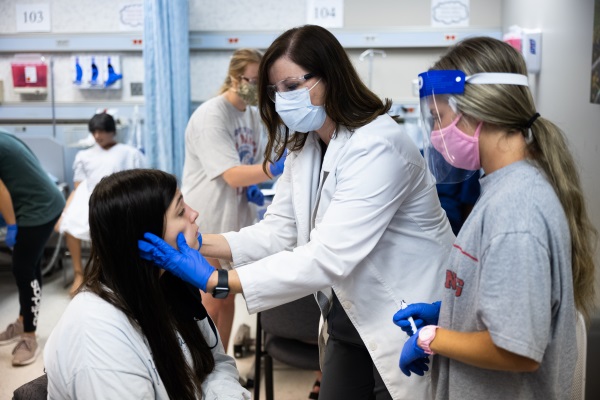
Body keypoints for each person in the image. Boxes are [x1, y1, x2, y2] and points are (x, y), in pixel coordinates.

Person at [140, 25, 455, 399]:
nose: (281, 99)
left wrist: (219, 281)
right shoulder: (305, 146)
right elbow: (279, 231)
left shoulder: (378, 145)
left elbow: (328, 255)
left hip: (405, 315)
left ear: (330, 76)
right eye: (274, 91)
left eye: (291, 87)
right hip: (347, 317)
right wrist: (197, 243)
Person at [393, 37, 597, 399]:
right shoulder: (502, 189)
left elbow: (515, 349)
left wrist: (433, 338)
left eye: (439, 118)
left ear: (474, 110)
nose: (437, 134)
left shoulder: (517, 211)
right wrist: (450, 313)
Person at [44, 169, 250, 400]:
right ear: (146, 236)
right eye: (181, 211)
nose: (194, 214)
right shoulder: (98, 337)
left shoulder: (170, 284)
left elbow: (214, 363)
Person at [181, 48, 286, 352]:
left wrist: (251, 186)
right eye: (250, 80)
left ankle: (221, 367)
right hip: (207, 218)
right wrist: (274, 169)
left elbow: (245, 164)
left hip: (233, 221)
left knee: (227, 299)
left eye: (260, 81)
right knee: (211, 304)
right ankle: (203, 374)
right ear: (233, 76)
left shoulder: (250, 115)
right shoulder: (211, 114)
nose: (255, 88)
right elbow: (231, 174)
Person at [57, 112, 145, 295]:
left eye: (102, 131)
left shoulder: (129, 153)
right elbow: (78, 188)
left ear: (112, 131)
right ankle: (79, 274)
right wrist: (64, 214)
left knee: (116, 228)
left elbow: (138, 183)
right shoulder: (84, 155)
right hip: (90, 198)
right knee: (70, 224)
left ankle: (114, 275)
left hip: (119, 199)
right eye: (94, 132)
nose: (98, 136)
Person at [0, 129, 66, 366]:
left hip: (39, 208)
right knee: (29, 264)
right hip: (41, 201)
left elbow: (1, 191)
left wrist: (11, 225)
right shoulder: (3, 135)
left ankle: (29, 337)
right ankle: (22, 323)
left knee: (22, 267)